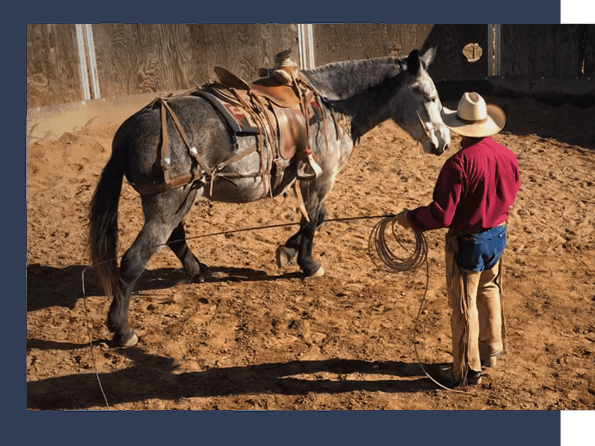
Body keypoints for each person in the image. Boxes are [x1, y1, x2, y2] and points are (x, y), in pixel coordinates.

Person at [394, 92, 521, 387]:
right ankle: (492, 350)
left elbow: (442, 215)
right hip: (498, 233)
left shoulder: (458, 165)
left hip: (469, 242)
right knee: (489, 289)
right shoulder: (508, 156)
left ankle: (466, 369)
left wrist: (410, 219)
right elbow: (512, 191)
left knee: (464, 305)